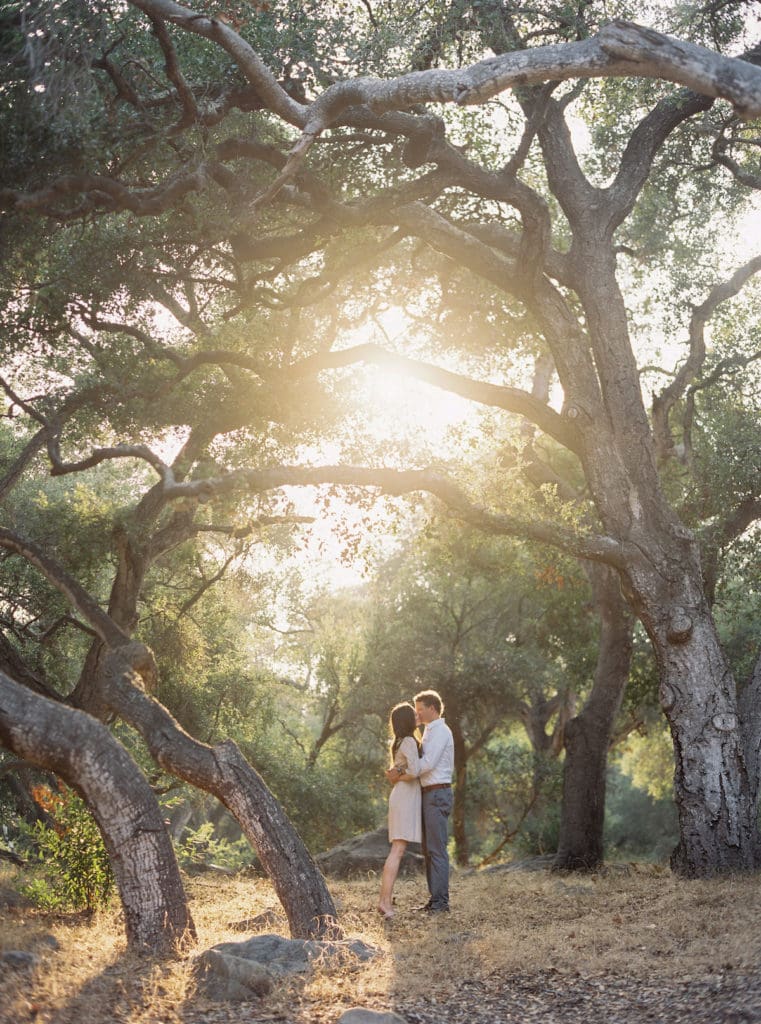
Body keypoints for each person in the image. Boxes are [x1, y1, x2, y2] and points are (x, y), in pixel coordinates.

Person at [385, 688, 454, 913]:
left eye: (421, 710)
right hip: (427, 795)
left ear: (432, 709)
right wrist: (401, 768)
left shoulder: (441, 732)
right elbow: (415, 761)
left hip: (437, 793)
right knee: (428, 850)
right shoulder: (427, 732)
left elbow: (427, 764)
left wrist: (400, 772)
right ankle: (434, 899)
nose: (418, 714)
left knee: (437, 849)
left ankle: (441, 902)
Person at [378, 701, 422, 919]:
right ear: (407, 719)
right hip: (404, 797)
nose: (418, 717)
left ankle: (385, 900)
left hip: (401, 795)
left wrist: (398, 774)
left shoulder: (400, 742)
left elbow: (402, 769)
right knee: (397, 850)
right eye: (414, 715)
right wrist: (402, 774)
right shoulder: (409, 742)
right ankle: (384, 902)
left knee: (397, 849)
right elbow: (415, 771)